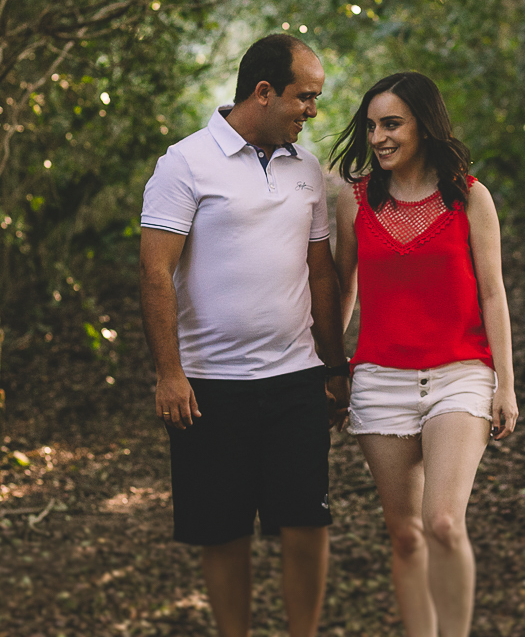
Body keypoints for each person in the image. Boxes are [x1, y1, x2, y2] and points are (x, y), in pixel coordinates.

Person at [139, 34, 351, 637]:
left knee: (307, 524)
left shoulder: (306, 169)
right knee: (223, 529)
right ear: (264, 92)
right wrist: (169, 374)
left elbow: (320, 272)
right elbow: (155, 271)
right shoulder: (184, 163)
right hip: (210, 386)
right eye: (305, 97)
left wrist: (334, 369)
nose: (313, 111)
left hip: (296, 380)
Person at [330, 71, 517, 637]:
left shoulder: (469, 196)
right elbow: (345, 289)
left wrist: (504, 383)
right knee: (406, 535)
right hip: (380, 380)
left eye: (393, 123)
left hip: (460, 373)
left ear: (423, 124)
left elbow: (492, 292)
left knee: (441, 523)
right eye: (372, 126)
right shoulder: (355, 199)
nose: (380, 136)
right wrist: (335, 371)